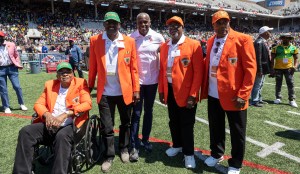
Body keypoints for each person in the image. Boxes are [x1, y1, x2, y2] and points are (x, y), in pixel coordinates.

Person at [200, 11, 256, 174]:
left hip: (235, 95)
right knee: (215, 127)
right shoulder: (211, 40)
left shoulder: (243, 39)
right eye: (219, 23)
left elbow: (250, 70)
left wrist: (243, 94)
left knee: (237, 131)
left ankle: (236, 163)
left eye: (225, 22)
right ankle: (217, 153)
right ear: (213, 25)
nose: (222, 25)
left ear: (229, 23)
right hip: (213, 92)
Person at [13, 62, 92, 174]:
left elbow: (87, 104)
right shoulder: (50, 85)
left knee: (62, 136)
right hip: (50, 124)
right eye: (61, 72)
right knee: (26, 132)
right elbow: (38, 104)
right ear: (57, 75)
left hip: (71, 125)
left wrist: (66, 114)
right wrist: (47, 114)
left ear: (73, 74)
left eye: (68, 71)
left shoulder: (80, 83)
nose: (65, 74)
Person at [88, 12, 140, 173]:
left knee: (126, 123)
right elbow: (93, 67)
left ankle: (123, 149)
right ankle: (109, 155)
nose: (111, 25)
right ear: (104, 24)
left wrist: (136, 89)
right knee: (107, 126)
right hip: (105, 92)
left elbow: (134, 68)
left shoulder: (129, 41)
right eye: (108, 22)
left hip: (124, 91)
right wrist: (89, 87)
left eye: (114, 23)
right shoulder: (95, 40)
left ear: (119, 25)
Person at [158, 16, 203, 169]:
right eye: (170, 26)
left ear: (182, 27)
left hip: (186, 92)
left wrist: (193, 95)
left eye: (176, 25)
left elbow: (198, 73)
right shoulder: (165, 46)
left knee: (187, 124)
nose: (173, 28)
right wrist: (162, 90)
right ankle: (177, 145)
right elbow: (162, 70)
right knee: (173, 121)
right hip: (170, 90)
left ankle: (188, 153)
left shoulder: (193, 45)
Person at [129, 12, 165, 162]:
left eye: (145, 22)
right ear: (136, 24)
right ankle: (134, 145)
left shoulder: (158, 37)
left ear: (150, 22)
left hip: (152, 82)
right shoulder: (131, 38)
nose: (143, 25)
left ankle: (145, 140)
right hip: (137, 83)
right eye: (140, 22)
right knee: (136, 113)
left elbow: (164, 58)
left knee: (148, 112)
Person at [0, 31, 28, 114]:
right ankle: (6, 106)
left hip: (12, 68)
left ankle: (22, 103)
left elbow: (16, 55)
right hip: (0, 69)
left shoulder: (11, 44)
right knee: (3, 89)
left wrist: (17, 63)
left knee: (17, 86)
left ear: (3, 37)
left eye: (0, 37)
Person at [270, 33, 299, 108]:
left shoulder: (294, 48)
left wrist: (295, 66)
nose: (285, 39)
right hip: (278, 68)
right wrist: (272, 69)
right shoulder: (275, 48)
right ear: (282, 38)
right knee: (278, 84)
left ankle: (291, 99)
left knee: (291, 84)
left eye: (287, 38)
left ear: (290, 39)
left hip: (289, 69)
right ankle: (278, 98)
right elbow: (272, 59)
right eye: (284, 38)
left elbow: (296, 58)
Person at [250, 26, 273, 107]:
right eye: (269, 32)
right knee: (257, 84)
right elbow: (258, 57)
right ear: (265, 33)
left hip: (263, 67)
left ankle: (258, 99)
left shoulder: (262, 42)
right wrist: (259, 70)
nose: (270, 34)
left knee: (260, 84)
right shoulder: (259, 42)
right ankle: (254, 100)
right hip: (260, 68)